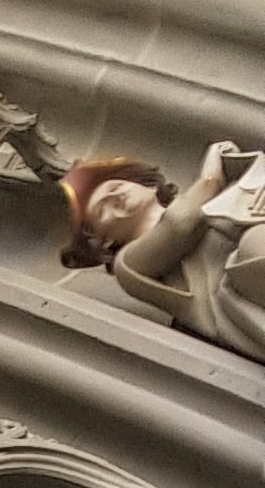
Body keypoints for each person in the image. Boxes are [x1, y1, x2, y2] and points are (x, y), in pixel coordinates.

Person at [57, 145, 265, 363]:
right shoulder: (128, 266)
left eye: (116, 186)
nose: (116, 196)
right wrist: (212, 172)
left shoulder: (219, 196)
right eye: (103, 209)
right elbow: (180, 224)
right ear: (104, 241)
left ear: (149, 186)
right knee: (253, 244)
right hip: (241, 295)